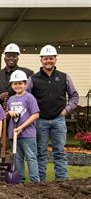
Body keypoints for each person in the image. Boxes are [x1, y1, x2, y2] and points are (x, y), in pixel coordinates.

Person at [27, 45, 79, 182]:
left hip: (58, 120)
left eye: (51, 58)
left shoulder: (64, 77)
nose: (48, 61)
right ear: (41, 60)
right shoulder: (33, 79)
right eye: (45, 58)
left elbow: (74, 96)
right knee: (40, 152)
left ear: (55, 59)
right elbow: (26, 98)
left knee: (60, 151)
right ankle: (41, 180)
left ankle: (62, 179)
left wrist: (66, 110)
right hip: (40, 121)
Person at [6, 70, 40, 183]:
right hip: (14, 133)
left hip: (27, 134)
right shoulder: (11, 99)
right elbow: (7, 113)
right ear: (12, 85)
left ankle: (34, 181)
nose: (17, 86)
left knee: (31, 157)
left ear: (25, 84)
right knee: (18, 158)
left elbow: (36, 115)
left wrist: (22, 127)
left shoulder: (29, 98)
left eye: (20, 83)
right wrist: (9, 112)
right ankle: (19, 180)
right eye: (15, 83)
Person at [0, 43, 34, 108]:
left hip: (22, 110)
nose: (11, 58)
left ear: (17, 58)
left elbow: (31, 93)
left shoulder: (28, 73)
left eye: (14, 56)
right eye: (8, 56)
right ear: (4, 59)